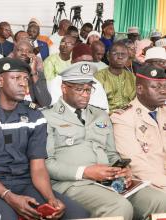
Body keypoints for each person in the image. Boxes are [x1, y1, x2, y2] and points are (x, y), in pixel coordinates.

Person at [0, 57, 90, 220]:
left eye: (25, 78)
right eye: (16, 78)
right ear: (0, 81)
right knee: (7, 216)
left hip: (25, 182)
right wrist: (10, 197)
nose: (23, 83)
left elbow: (38, 167)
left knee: (78, 214)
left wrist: (50, 199)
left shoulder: (34, 115)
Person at [43, 62, 166, 219]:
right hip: (73, 183)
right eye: (79, 89)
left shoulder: (100, 115)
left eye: (88, 89)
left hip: (109, 181)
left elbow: (112, 154)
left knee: (160, 201)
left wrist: (124, 169)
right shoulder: (48, 117)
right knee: (119, 207)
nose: (85, 94)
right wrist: (85, 172)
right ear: (64, 88)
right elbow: (47, 163)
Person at [111, 65, 166, 193]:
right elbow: (136, 163)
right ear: (140, 89)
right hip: (149, 183)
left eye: (164, 86)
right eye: (156, 87)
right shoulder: (123, 118)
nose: (163, 91)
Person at [47, 45, 109, 111]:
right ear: (72, 62)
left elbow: (103, 110)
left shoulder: (95, 83)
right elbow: (56, 109)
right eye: (82, 61)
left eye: (90, 62)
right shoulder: (58, 81)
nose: (86, 66)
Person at [95, 41, 136, 112]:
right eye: (115, 54)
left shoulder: (131, 77)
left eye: (123, 54)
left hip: (130, 116)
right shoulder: (99, 77)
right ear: (108, 56)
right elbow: (94, 105)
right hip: (106, 117)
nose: (120, 57)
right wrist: (111, 113)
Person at [9, 40, 51, 107]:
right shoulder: (6, 73)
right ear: (13, 53)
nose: (24, 53)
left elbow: (45, 102)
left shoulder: (38, 74)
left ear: (33, 56)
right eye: (20, 50)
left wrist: (33, 73)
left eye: (29, 51)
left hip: (32, 113)